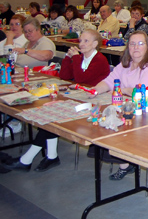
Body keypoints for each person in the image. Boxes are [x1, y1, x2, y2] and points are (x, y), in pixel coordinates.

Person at [0, 30, 111, 174]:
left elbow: (81, 79)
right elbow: (65, 76)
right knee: (49, 116)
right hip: (79, 97)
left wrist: (76, 58)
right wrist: (67, 58)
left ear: (95, 44)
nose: (81, 44)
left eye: (86, 41)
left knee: (54, 118)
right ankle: (45, 157)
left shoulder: (99, 59)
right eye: (80, 40)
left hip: (95, 103)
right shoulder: (81, 57)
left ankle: (29, 159)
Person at [92, 31, 148, 180]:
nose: (136, 47)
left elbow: (140, 92)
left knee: (113, 123)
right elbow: (109, 81)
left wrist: (121, 89)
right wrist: (94, 90)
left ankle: (125, 162)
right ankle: (125, 162)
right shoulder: (126, 64)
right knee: (101, 120)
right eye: (132, 44)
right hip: (129, 107)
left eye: (141, 43)